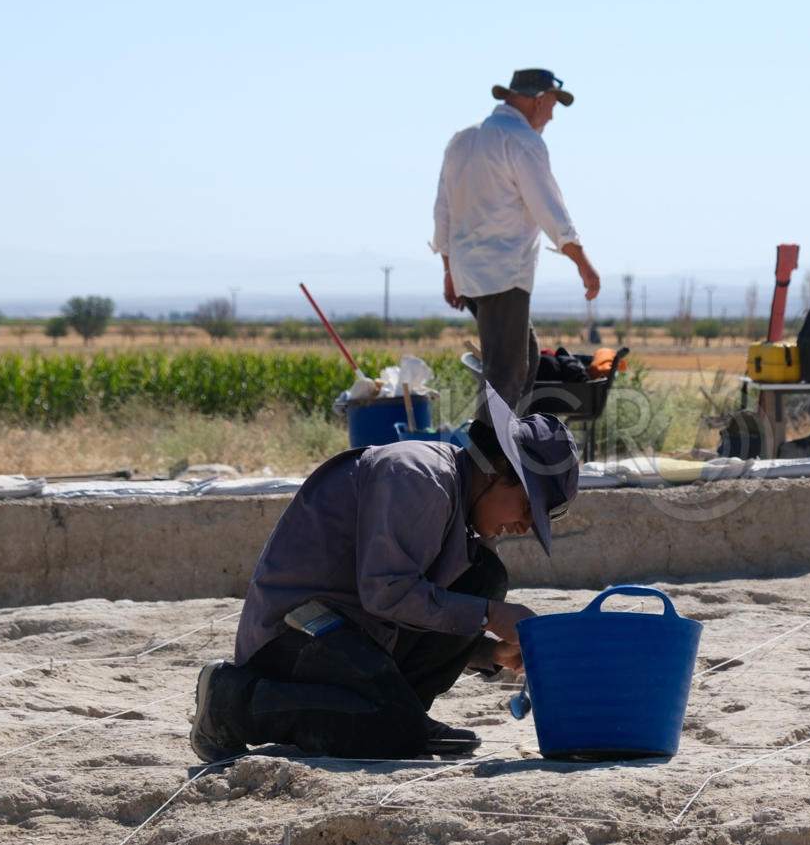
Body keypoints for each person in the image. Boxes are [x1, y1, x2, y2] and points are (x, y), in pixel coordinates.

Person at [189, 384, 580, 762]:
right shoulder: (419, 477)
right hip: (294, 635)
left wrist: (488, 652)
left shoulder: (462, 511)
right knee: (393, 733)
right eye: (527, 507)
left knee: (484, 578)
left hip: (354, 633)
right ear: (499, 469)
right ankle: (232, 702)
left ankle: (399, 712)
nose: (524, 526)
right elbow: (387, 593)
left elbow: (422, 609)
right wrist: (492, 615)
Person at [432, 68, 602, 412]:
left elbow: (444, 210)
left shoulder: (462, 139)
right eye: (552, 105)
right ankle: (491, 444)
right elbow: (550, 209)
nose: (551, 116)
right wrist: (583, 262)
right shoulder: (523, 141)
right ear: (538, 101)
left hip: (468, 273)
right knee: (506, 374)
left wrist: (449, 269)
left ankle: (508, 437)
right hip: (503, 273)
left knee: (526, 357)